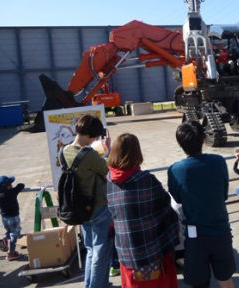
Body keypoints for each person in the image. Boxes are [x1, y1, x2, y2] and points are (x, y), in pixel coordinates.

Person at [168, 121, 235, 288]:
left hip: (195, 235)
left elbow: (178, 199)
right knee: (225, 278)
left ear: (180, 143)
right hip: (221, 230)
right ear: (203, 138)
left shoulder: (176, 169)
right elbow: (224, 194)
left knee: (199, 282)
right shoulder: (219, 161)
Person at [106, 133, 179, 288]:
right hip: (152, 251)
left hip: (126, 252)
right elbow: (166, 206)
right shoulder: (146, 180)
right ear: (137, 153)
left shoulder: (109, 181)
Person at [62, 115, 112, 288]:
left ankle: (91, 284)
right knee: (100, 249)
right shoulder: (89, 154)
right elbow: (108, 168)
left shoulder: (64, 151)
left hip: (79, 207)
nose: (96, 140)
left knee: (90, 249)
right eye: (96, 137)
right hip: (97, 205)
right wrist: (108, 149)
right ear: (90, 135)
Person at [0, 176, 24, 260]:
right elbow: (21, 185)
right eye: (10, 184)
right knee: (15, 234)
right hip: (13, 218)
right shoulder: (12, 192)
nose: (12, 184)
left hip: (4, 218)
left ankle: (5, 238)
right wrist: (14, 188)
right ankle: (11, 253)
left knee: (9, 231)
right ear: (7, 186)